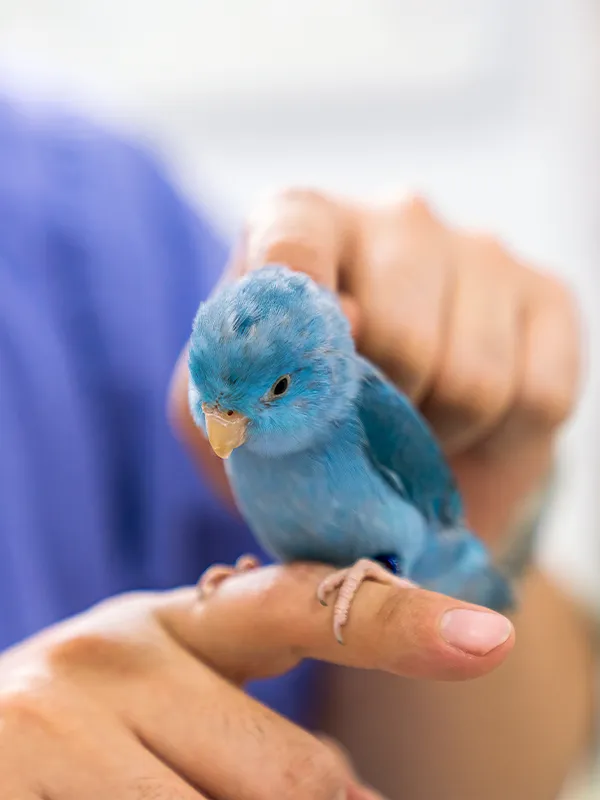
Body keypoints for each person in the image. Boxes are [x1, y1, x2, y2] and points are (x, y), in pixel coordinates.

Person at [0, 92, 590, 800]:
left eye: (269, 394)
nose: (223, 433)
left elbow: (489, 756)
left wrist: (487, 522)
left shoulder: (91, 204)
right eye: (211, 400)